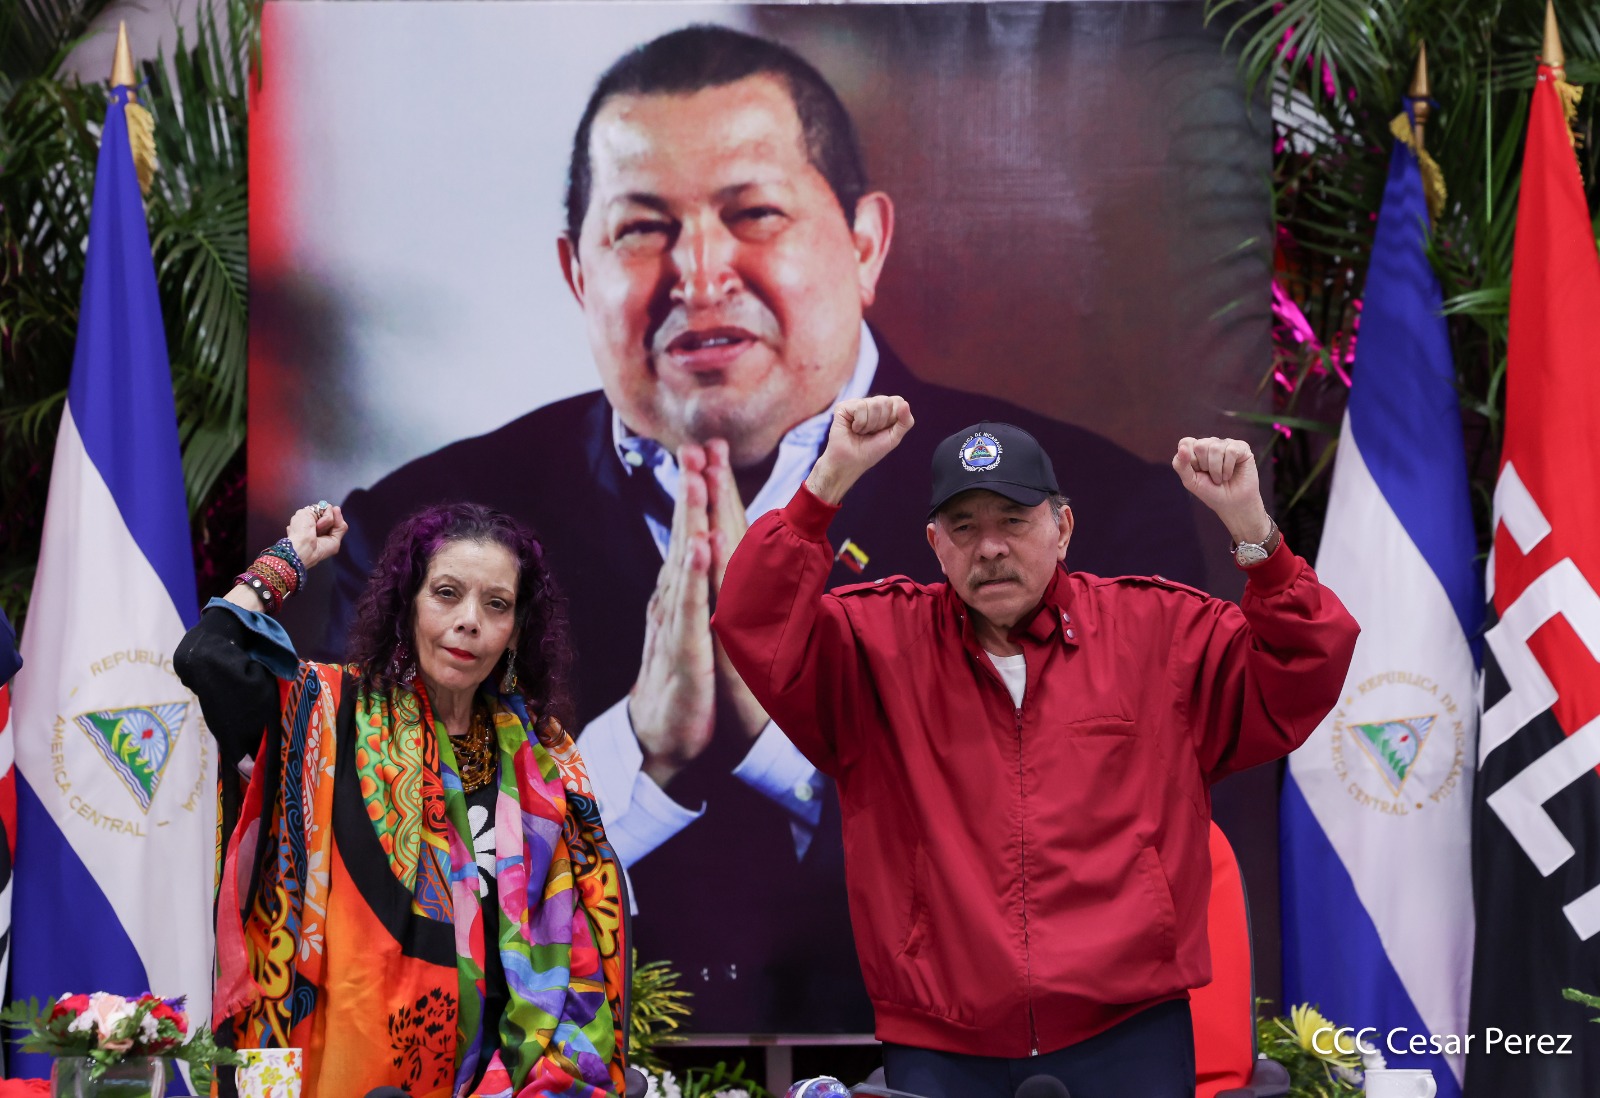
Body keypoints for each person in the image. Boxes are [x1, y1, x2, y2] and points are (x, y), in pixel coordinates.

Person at [314, 25, 1204, 1031]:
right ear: (577, 273)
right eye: (641, 228)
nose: (699, 273)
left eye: (755, 214)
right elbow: (379, 898)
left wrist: (783, 744)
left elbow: (1113, 864)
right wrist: (640, 755)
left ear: (864, 243)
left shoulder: (1091, 515)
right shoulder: (416, 534)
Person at [712, 397, 1360, 1098]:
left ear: (1063, 528)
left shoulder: (1159, 632)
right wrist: (826, 483)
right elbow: (754, 621)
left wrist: (1254, 531)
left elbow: (1305, 664)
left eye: (1014, 521)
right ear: (935, 544)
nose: (990, 547)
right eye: (964, 527)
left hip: (1131, 1031)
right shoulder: (874, 648)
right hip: (940, 1041)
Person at [174, 502, 628, 1098]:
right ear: (407, 604)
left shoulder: (546, 760)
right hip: (352, 1076)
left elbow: (584, 940)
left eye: (496, 605)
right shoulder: (329, 715)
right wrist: (289, 560)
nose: (470, 621)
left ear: (517, 631)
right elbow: (204, 656)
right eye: (446, 593)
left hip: (519, 1081)